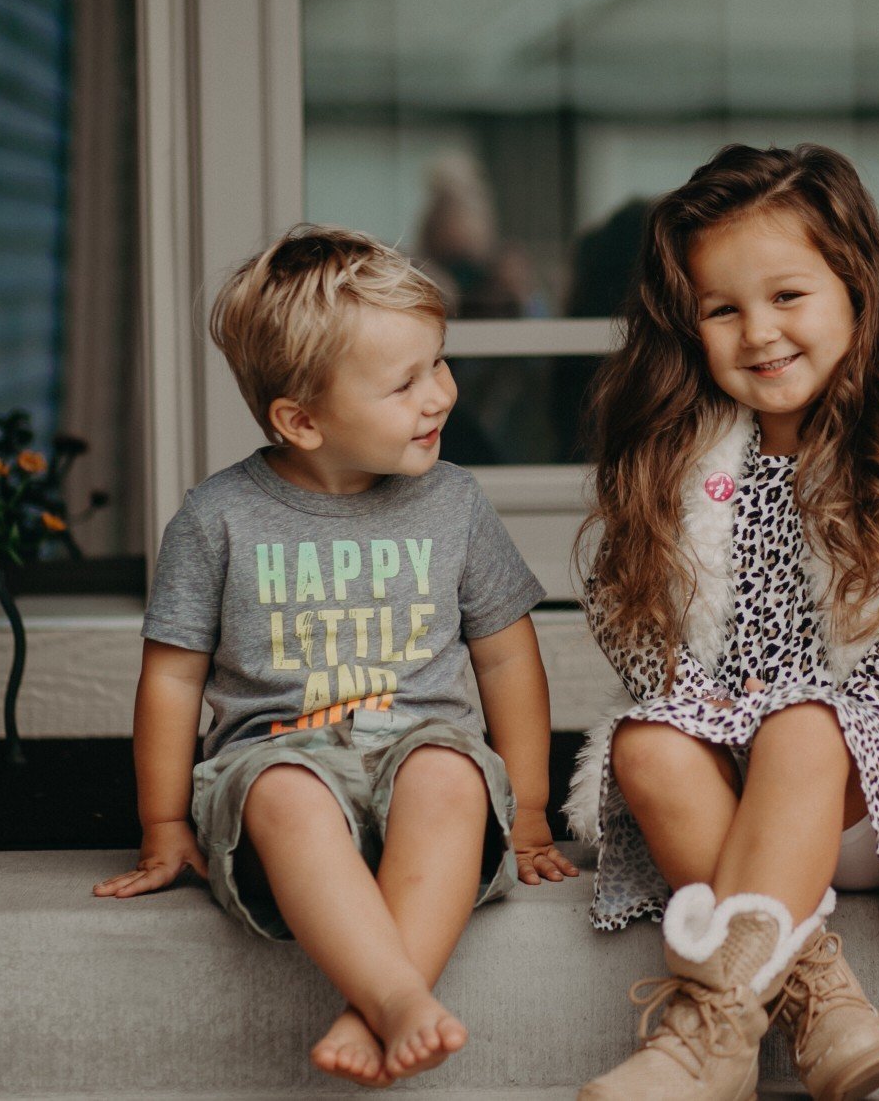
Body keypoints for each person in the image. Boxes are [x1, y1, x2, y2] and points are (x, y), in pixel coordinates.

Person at [566, 144, 879, 1101]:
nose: (759, 333)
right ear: (686, 325)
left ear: (854, 288)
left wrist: (836, 715)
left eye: (788, 296)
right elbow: (623, 608)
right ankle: (818, 997)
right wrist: (692, 701)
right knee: (646, 746)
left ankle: (704, 1035)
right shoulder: (676, 442)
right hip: (728, 791)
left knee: (805, 724)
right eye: (722, 309)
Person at [92, 225, 577, 1088]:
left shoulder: (454, 503)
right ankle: (396, 996)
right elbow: (172, 679)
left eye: (439, 362)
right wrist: (164, 823)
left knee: (449, 779)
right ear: (302, 419)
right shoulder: (217, 519)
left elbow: (506, 660)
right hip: (277, 755)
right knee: (286, 792)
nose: (442, 394)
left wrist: (531, 806)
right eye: (406, 382)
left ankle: (379, 1003)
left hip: (424, 750)